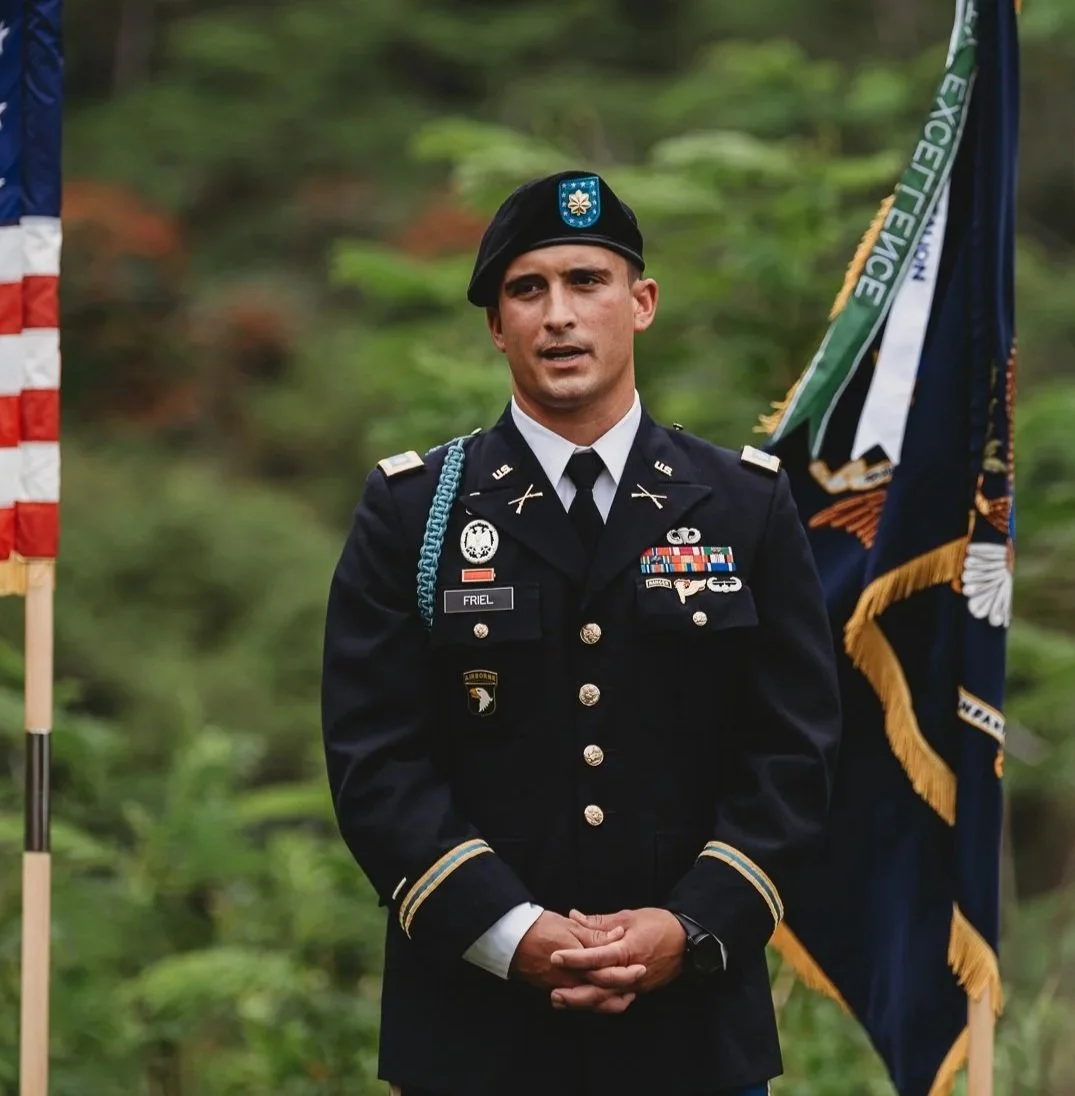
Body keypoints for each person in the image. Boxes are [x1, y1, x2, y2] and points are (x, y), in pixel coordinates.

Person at [321, 170, 843, 1096]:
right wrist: (510, 933)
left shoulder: (741, 505)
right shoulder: (416, 513)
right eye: (527, 290)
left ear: (639, 303)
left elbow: (792, 755)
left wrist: (688, 927)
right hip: (475, 1038)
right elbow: (377, 759)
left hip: (692, 1038)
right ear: (496, 326)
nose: (558, 315)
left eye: (586, 281)